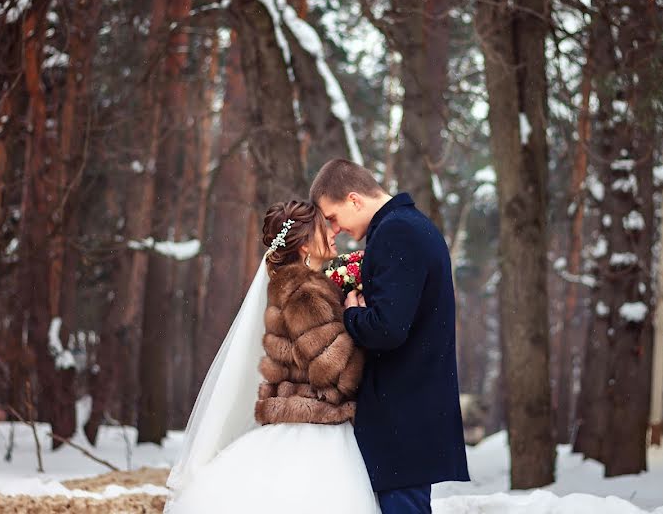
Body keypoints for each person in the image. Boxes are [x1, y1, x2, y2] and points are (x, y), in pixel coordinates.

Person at [165, 200, 381, 514]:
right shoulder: (306, 292)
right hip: (317, 426)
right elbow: (333, 370)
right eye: (325, 227)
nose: (335, 231)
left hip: (301, 421)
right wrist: (357, 318)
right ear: (305, 242)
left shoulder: (294, 284)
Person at [311, 159, 470, 514]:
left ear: (354, 199)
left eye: (333, 217)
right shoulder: (409, 226)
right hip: (410, 411)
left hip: (403, 416)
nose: (335, 229)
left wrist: (350, 312)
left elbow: (387, 327)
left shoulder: (397, 231)